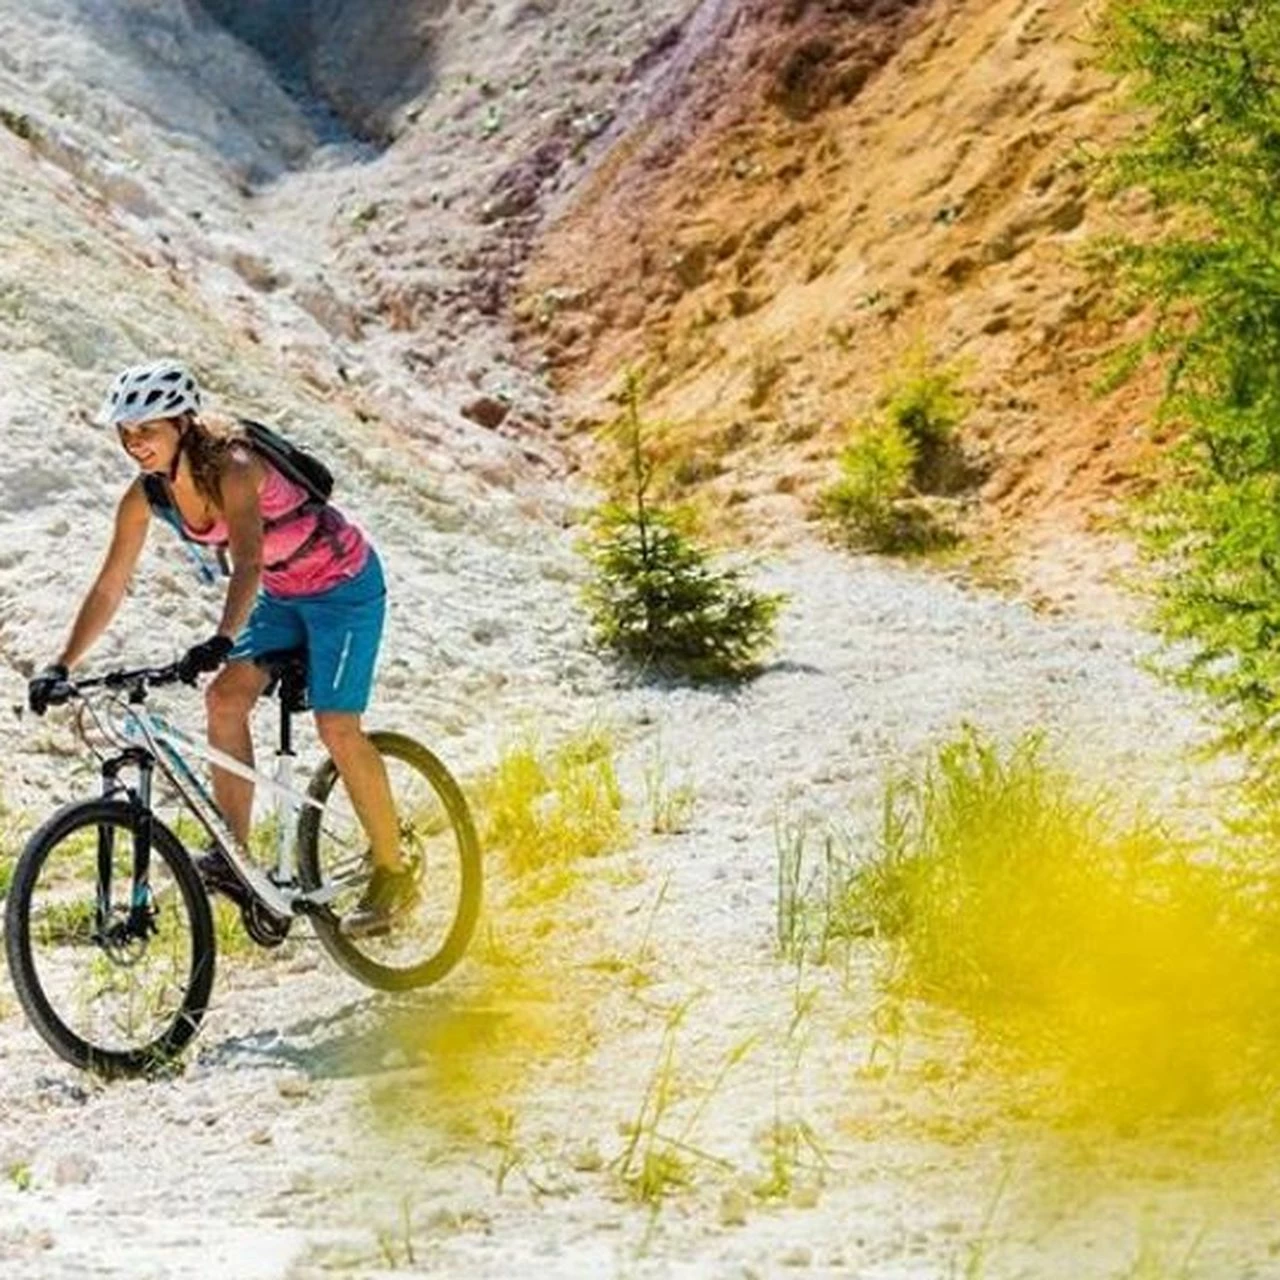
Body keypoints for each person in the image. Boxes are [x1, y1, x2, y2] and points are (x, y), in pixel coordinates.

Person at [27, 359, 415, 937]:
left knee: (337, 727)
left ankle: (394, 870)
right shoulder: (146, 495)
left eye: (148, 429)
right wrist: (61, 663)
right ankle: (236, 858)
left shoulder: (234, 465)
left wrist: (222, 637)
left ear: (183, 423)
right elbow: (110, 584)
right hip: (282, 596)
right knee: (223, 699)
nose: (135, 443)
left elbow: (248, 560)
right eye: (126, 432)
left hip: (343, 587)